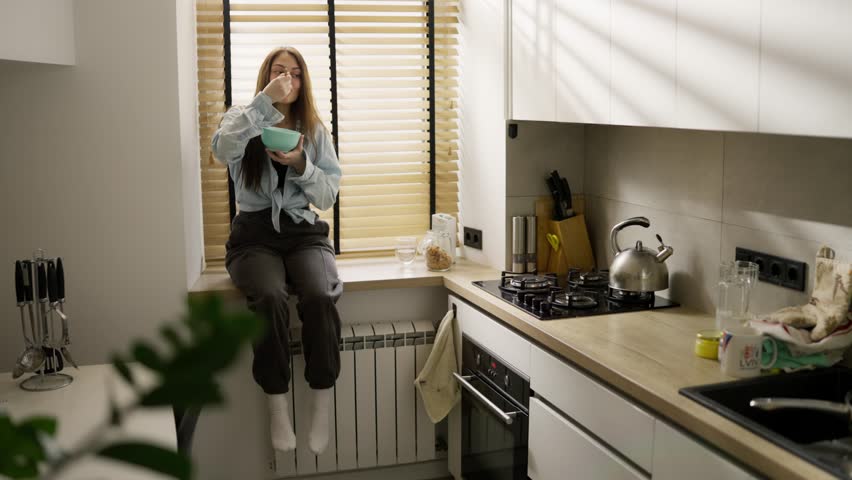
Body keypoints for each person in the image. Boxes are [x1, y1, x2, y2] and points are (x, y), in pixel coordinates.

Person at [211, 46, 342, 455]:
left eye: (295, 73)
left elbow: (328, 195)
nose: (288, 78)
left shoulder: (315, 130)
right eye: (278, 71)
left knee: (320, 295)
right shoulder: (242, 119)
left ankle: (321, 399)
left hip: (303, 232)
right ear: (267, 76)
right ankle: (277, 404)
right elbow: (220, 151)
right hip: (253, 235)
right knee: (269, 296)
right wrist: (262, 102)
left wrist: (302, 163)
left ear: (304, 83)